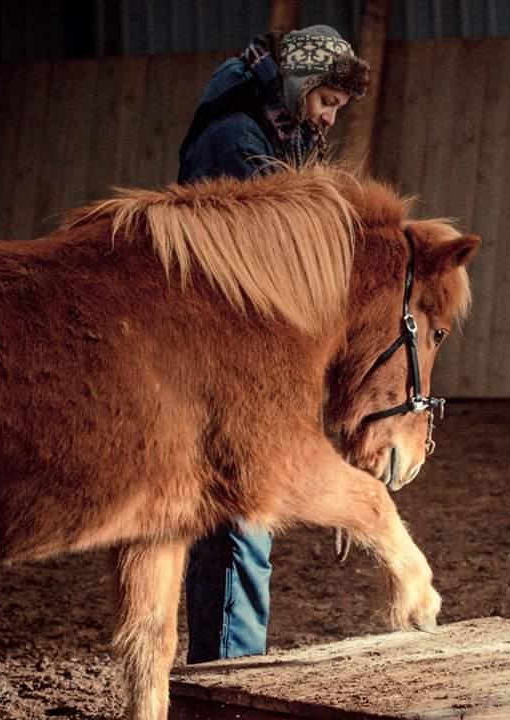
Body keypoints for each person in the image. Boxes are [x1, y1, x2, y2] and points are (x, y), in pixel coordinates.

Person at [175, 25, 369, 663]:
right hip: (224, 346)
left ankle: (226, 663)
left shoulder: (272, 123)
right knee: (239, 511)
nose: (329, 117)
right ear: (300, 84)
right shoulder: (235, 138)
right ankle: (230, 672)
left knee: (238, 518)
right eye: (327, 102)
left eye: (337, 108)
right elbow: (254, 256)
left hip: (231, 341)